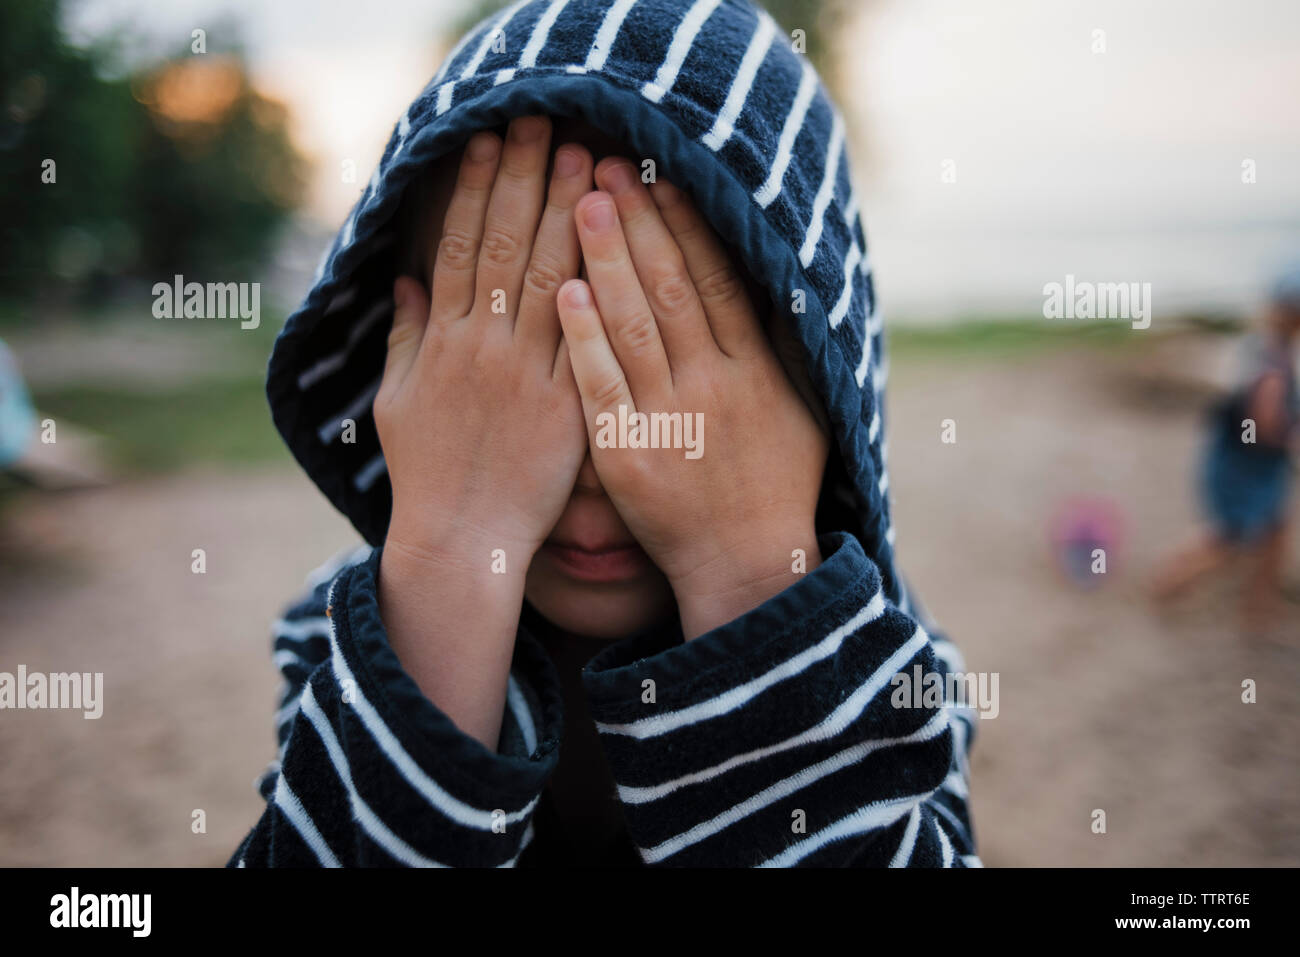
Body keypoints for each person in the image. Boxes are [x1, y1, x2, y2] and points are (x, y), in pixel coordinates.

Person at [232, 0, 977, 867]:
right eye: (520, 374)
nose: (596, 465)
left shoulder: (883, 662)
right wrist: (455, 551)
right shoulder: (347, 634)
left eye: (663, 361)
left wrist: (746, 570)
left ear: (821, 385)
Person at [1150, 265, 1300, 634]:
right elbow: (1265, 423)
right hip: (1245, 466)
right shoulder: (1272, 363)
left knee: (1274, 532)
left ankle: (1260, 610)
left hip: (1238, 457)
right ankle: (1164, 587)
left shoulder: (1258, 346)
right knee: (1228, 539)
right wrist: (1290, 436)